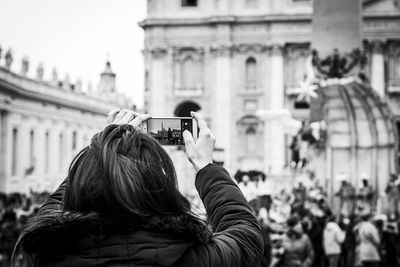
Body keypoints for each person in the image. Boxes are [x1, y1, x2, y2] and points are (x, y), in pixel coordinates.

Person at [13, 110, 263, 267]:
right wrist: (206, 167)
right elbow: (245, 232)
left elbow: (45, 218)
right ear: (160, 187)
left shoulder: (48, 252)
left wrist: (101, 154)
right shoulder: (194, 257)